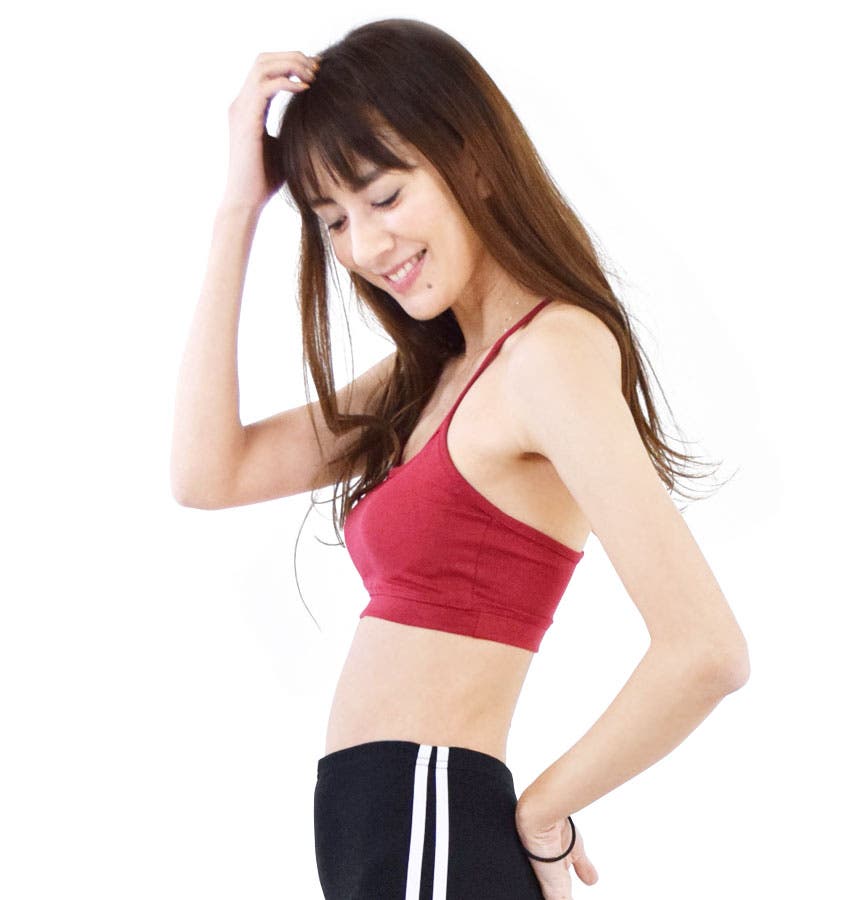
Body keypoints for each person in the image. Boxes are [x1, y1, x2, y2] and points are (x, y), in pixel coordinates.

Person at [170, 18, 751, 900]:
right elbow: (209, 475)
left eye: (385, 196)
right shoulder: (436, 372)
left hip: (432, 821)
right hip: (394, 834)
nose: (365, 248)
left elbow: (706, 650)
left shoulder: (547, 356)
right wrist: (236, 210)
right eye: (333, 219)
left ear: (472, 160)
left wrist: (543, 811)